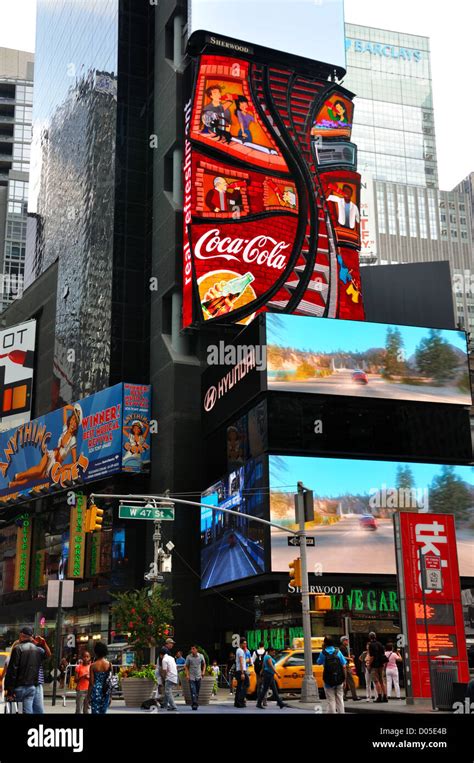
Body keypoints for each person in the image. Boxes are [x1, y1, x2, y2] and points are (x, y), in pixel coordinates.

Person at [9, 404, 82, 488]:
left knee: (33, 478)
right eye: (73, 419)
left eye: (76, 423)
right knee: (39, 470)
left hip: (54, 466)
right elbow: (65, 408)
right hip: (51, 455)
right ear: (70, 420)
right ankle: (19, 475)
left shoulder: (73, 440)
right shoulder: (65, 429)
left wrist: (64, 468)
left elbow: (74, 463)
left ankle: (14, 484)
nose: (73, 423)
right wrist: (75, 410)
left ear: (76, 427)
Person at [3, 626, 45, 714]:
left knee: (15, 710)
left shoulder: (18, 649)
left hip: (19, 687)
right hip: (31, 687)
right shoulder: (38, 650)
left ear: (21, 635)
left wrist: (9, 691)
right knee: (28, 711)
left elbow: (13, 671)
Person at [317, 636, 346, 714]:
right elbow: (344, 664)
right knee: (340, 698)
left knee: (331, 700)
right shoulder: (338, 652)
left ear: (325, 643)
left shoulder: (323, 653)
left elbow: (318, 662)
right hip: (339, 679)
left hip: (328, 680)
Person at [88, 641, 113, 714]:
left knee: (95, 711)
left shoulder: (93, 666)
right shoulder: (109, 665)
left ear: (96, 652)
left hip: (96, 691)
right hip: (105, 691)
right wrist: (110, 696)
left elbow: (91, 683)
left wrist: (88, 696)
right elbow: (110, 682)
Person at [32, 634, 51, 714]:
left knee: (39, 709)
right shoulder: (20, 649)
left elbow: (48, 654)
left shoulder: (38, 650)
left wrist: (44, 643)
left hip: (37, 684)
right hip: (24, 685)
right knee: (23, 709)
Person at [368, 631, 388, 703]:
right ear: (375, 636)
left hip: (374, 665)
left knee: (376, 681)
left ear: (370, 637)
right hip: (381, 664)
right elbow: (383, 654)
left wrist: (369, 665)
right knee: (382, 681)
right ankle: (385, 696)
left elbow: (372, 656)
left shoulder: (371, 645)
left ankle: (379, 696)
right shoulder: (380, 644)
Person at [185, 645, 206, 710]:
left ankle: (195, 702)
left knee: (197, 691)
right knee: (193, 690)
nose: (192, 650)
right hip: (191, 677)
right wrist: (187, 675)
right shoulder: (189, 657)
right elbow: (186, 666)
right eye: (191, 649)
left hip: (198, 676)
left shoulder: (201, 656)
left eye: (193, 649)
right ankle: (194, 704)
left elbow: (204, 664)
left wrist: (203, 672)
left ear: (197, 650)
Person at [340, 636, 360, 701]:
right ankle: (354, 696)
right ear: (343, 641)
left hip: (346, 665)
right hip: (345, 666)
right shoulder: (342, 648)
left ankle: (344, 696)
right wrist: (349, 658)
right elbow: (342, 657)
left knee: (347, 681)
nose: (347, 641)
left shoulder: (344, 648)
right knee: (349, 681)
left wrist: (350, 657)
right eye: (346, 640)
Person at [234, 639, 250, 708]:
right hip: (241, 671)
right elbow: (241, 661)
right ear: (241, 644)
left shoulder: (239, 650)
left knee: (239, 687)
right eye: (244, 643)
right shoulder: (240, 651)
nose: (245, 645)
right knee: (247, 684)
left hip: (239, 670)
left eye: (246, 643)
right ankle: (240, 700)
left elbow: (242, 661)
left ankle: (237, 702)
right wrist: (242, 673)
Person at [252, 642, 267, 707]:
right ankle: (264, 701)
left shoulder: (255, 652)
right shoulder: (266, 652)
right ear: (263, 645)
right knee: (264, 685)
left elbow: (252, 661)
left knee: (258, 685)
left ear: (259, 645)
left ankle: (259, 700)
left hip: (257, 672)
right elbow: (266, 661)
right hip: (264, 671)